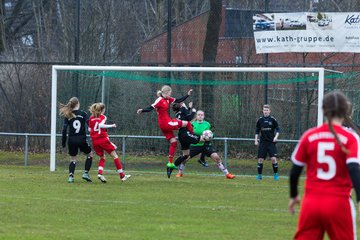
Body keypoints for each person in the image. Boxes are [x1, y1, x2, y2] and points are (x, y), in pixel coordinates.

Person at [289, 91, 360, 240]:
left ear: (323, 110)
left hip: (311, 203)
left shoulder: (309, 135)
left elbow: (295, 171)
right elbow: (354, 169)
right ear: (345, 111)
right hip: (339, 203)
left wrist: (294, 195)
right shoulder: (350, 138)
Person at [136, 85, 194, 169]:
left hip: (164, 124)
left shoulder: (168, 99)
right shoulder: (160, 99)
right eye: (170, 93)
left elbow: (178, 100)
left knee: (173, 142)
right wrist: (143, 110)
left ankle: (170, 163)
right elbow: (151, 107)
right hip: (166, 123)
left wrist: (187, 95)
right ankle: (193, 137)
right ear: (166, 92)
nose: (170, 94)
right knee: (187, 123)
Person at [174, 109, 235, 179]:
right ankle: (180, 173)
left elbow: (212, 133)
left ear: (203, 116)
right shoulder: (191, 124)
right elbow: (188, 134)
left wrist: (211, 136)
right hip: (195, 145)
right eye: (198, 115)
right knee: (185, 158)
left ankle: (227, 174)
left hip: (205, 145)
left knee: (217, 158)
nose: (200, 116)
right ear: (196, 116)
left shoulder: (207, 124)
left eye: (202, 115)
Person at [88, 102, 131, 183]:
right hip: (103, 139)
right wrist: (111, 125)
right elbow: (100, 125)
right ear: (102, 110)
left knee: (102, 157)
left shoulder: (91, 118)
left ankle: (100, 174)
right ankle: (122, 176)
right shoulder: (103, 116)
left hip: (95, 141)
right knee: (115, 156)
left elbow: (89, 130)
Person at [166, 102, 206, 178]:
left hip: (181, 134)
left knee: (186, 155)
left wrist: (189, 108)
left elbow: (185, 116)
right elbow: (189, 118)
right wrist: (193, 111)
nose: (184, 103)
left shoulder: (178, 113)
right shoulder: (183, 109)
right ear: (181, 105)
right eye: (183, 102)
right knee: (203, 139)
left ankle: (170, 167)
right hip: (186, 133)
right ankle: (202, 159)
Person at [60, 97, 93, 183]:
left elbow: (64, 129)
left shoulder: (68, 115)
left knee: (73, 159)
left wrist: (63, 142)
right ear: (78, 103)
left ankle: (71, 176)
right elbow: (90, 124)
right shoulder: (83, 113)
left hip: (71, 140)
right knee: (90, 154)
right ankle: (85, 173)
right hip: (82, 139)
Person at [254, 104, 280, 180]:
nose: (265, 111)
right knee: (260, 159)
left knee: (273, 159)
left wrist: (276, 137)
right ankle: (259, 175)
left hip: (271, 142)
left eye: (267, 110)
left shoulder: (273, 119)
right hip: (263, 142)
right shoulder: (260, 120)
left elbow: (278, 129)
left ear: (269, 111)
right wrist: (256, 140)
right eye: (264, 110)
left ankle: (275, 174)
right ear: (263, 111)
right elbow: (257, 130)